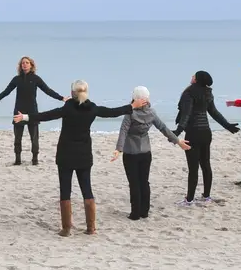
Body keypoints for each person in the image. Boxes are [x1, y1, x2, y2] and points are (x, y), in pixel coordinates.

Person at [14, 80, 147, 236]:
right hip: (84, 154)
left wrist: (25, 117)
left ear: (72, 93)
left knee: (65, 190)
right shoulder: (92, 108)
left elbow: (47, 115)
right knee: (86, 189)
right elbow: (111, 112)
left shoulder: (68, 107)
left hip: (65, 154)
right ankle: (91, 228)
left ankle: (66, 229)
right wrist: (132, 106)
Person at [111, 86, 190, 220]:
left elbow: (123, 131)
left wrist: (119, 149)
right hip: (146, 152)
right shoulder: (151, 112)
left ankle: (135, 213)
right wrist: (178, 141)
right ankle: (144, 212)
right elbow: (163, 128)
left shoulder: (130, 113)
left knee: (134, 183)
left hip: (131, 152)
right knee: (144, 181)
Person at [173, 71, 240, 206]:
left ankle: (189, 200)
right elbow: (214, 113)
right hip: (206, 133)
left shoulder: (189, 93)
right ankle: (206, 196)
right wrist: (227, 125)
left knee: (193, 168)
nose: (191, 77)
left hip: (193, 133)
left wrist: (177, 132)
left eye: (193, 75)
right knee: (206, 165)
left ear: (197, 79)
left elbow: (186, 114)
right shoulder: (207, 93)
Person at [0, 56, 68, 166]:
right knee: (17, 138)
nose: (24, 64)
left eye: (27, 63)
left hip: (32, 112)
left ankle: (35, 159)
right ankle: (17, 160)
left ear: (31, 65)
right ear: (20, 66)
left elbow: (47, 90)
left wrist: (61, 98)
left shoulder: (36, 78)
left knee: (34, 138)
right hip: (18, 110)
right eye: (23, 63)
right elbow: (6, 91)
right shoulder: (16, 79)